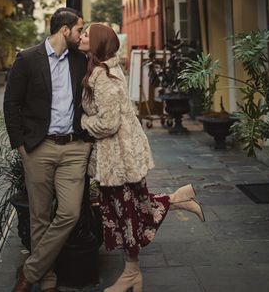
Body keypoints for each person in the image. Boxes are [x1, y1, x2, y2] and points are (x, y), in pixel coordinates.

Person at [79, 23, 205, 292]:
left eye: (87, 34)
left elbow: (108, 124)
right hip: (121, 156)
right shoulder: (105, 71)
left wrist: (83, 121)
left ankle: (131, 273)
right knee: (132, 207)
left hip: (119, 158)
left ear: (98, 42)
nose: (81, 36)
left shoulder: (105, 77)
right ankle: (177, 200)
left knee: (126, 213)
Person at [3, 7, 92, 292]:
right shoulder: (28, 59)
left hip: (73, 148)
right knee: (39, 216)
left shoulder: (80, 60)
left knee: (69, 213)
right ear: (64, 30)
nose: (81, 34)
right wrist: (20, 144)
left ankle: (29, 272)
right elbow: (11, 103)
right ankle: (47, 279)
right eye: (79, 29)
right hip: (38, 147)